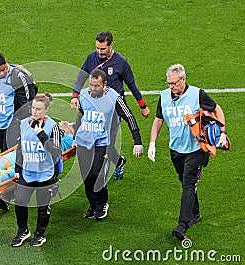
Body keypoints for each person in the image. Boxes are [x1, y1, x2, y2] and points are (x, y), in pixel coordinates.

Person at [147, 64, 228, 241]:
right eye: (168, 83)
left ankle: (182, 225)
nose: (171, 87)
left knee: (189, 184)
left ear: (183, 79)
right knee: (185, 183)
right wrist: (152, 143)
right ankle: (196, 213)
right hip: (176, 150)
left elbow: (217, 109)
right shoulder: (164, 96)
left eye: (174, 83)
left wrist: (222, 133)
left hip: (197, 149)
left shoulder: (196, 94)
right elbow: (158, 120)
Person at [75, 69, 140, 220]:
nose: (92, 88)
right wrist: (75, 136)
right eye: (90, 85)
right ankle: (93, 204)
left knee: (96, 175)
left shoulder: (114, 97)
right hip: (84, 141)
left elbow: (129, 116)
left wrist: (137, 141)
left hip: (103, 142)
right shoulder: (84, 95)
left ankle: (102, 203)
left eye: (96, 86)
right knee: (86, 176)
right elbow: (80, 115)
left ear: (105, 84)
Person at [11, 93, 62, 247]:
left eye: (38, 109)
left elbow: (56, 151)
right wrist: (17, 168)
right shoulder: (24, 123)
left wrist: (41, 135)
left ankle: (40, 234)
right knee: (20, 202)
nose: (34, 112)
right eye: (33, 108)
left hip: (46, 174)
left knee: (42, 207)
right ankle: (23, 231)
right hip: (27, 172)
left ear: (46, 110)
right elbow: (21, 147)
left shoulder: (53, 127)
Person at [0, 130, 74, 186]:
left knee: (18, 168)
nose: (64, 122)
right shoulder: (48, 126)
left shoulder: (67, 138)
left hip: (38, 156)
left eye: (68, 125)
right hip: (24, 149)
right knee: (0, 162)